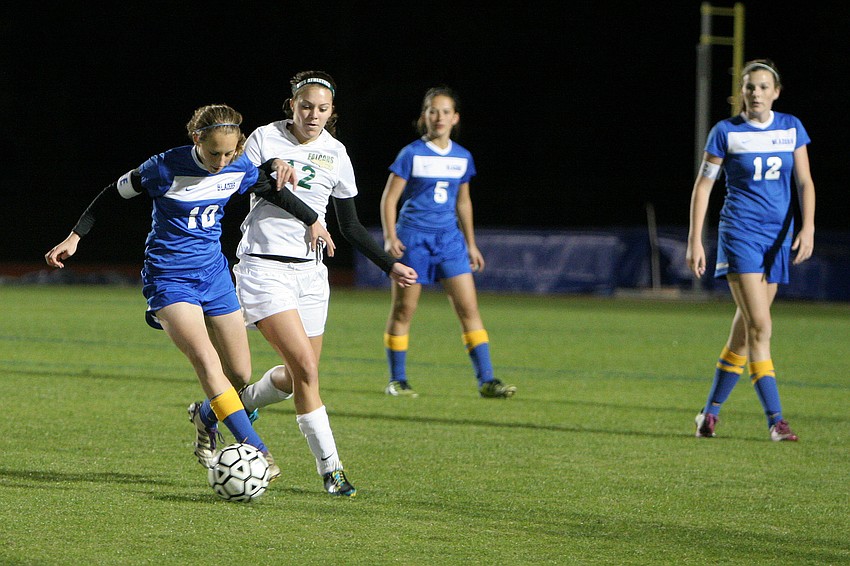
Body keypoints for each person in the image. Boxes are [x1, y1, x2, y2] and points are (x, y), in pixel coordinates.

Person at [45, 104, 335, 481]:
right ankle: (258, 451)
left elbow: (270, 188)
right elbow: (112, 193)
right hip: (169, 277)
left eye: (229, 153)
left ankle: (204, 416)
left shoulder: (238, 166)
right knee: (207, 361)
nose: (221, 162)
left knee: (240, 374)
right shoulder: (163, 167)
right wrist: (75, 236)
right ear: (197, 139)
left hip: (214, 275)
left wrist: (312, 219)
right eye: (214, 152)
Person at [189, 71, 418, 498]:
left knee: (297, 379)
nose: (313, 115)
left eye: (322, 109)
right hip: (264, 269)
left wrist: (389, 266)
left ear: (332, 113)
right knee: (307, 371)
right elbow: (242, 179)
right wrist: (275, 174)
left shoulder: (336, 153)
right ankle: (332, 471)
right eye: (306, 106)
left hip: (312, 275)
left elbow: (349, 225)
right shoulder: (265, 138)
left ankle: (213, 409)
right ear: (291, 105)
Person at [687, 59, 815, 441]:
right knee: (761, 326)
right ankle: (776, 421)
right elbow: (703, 187)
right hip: (740, 234)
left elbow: (805, 182)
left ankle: (709, 415)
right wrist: (695, 239)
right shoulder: (726, 132)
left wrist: (808, 226)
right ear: (741, 92)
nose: (755, 93)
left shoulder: (791, 128)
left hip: (778, 239)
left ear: (776, 92)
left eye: (762, 87)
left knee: (745, 333)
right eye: (749, 87)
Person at [379, 86, 516, 399]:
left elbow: (463, 202)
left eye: (445, 112)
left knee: (469, 309)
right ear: (424, 116)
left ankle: (487, 380)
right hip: (413, 240)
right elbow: (389, 198)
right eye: (433, 111)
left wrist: (471, 244)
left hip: (450, 242)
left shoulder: (462, 157)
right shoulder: (411, 153)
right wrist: (390, 236)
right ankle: (397, 380)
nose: (439, 117)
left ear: (455, 118)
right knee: (403, 310)